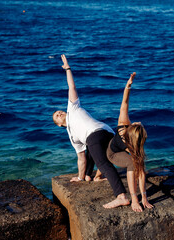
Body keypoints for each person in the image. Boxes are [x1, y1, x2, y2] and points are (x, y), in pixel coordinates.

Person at [52, 54, 129, 208]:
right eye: (56, 117)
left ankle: (121, 196)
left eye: (59, 112)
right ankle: (90, 176)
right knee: (99, 152)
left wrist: (67, 68)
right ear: (59, 125)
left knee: (104, 162)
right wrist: (80, 177)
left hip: (102, 132)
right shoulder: (73, 137)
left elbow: (71, 86)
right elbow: (82, 159)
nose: (59, 113)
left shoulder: (73, 108)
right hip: (102, 137)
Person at [106, 72, 154, 212]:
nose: (139, 122)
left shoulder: (134, 143)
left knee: (139, 167)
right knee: (131, 164)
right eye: (139, 124)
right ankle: (133, 198)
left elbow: (142, 173)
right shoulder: (123, 123)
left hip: (124, 149)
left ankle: (140, 197)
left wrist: (144, 197)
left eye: (139, 125)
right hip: (112, 153)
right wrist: (128, 85)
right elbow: (124, 102)